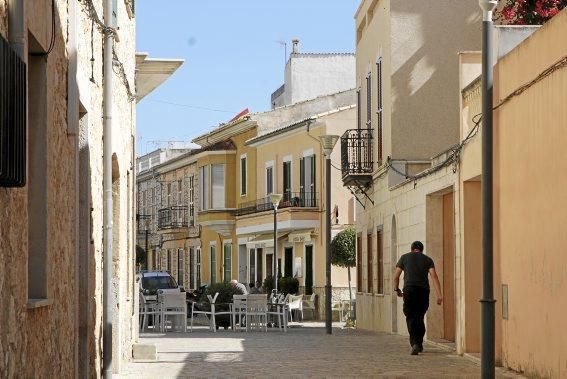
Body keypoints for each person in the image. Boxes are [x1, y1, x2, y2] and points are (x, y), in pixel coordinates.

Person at [392, 241, 443, 355]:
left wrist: (397, 289)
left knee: (410, 316)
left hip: (409, 290)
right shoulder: (427, 259)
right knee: (419, 316)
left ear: (412, 249)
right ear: (422, 250)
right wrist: (439, 295)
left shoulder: (404, 258)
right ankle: (418, 343)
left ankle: (414, 343)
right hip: (423, 291)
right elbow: (434, 276)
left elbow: (396, 276)